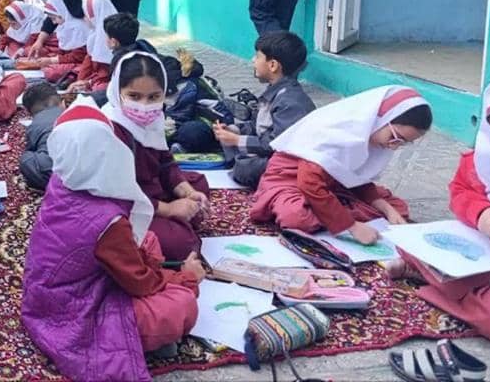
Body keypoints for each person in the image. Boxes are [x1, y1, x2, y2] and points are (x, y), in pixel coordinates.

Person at [22, 104, 205, 382]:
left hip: (48, 294)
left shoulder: (63, 179)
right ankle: (143, 342)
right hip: (77, 312)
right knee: (180, 305)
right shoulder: (107, 221)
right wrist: (187, 279)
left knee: (151, 238)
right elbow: (139, 281)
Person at [384, 78, 490, 343]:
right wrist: (482, 213)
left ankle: (439, 280)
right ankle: (445, 275)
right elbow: (461, 190)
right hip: (489, 253)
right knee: (417, 241)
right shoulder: (486, 157)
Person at [250, 86, 431, 242]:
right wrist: (351, 227)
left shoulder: (370, 136)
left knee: (397, 207)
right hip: (291, 180)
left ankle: (333, 213)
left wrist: (386, 208)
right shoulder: (337, 131)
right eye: (395, 137)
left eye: (403, 143)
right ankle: (341, 214)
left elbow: (358, 178)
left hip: (333, 185)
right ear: (381, 118)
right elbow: (309, 183)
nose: (394, 146)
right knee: (295, 216)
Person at [101, 52, 211, 260]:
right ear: (118, 91)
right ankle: (179, 223)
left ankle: (181, 218)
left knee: (198, 184)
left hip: (153, 192)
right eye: (134, 96)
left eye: (153, 97)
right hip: (126, 204)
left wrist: (186, 192)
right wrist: (168, 209)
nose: (144, 105)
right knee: (181, 245)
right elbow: (116, 193)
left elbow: (165, 161)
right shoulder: (110, 129)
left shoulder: (155, 119)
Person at [210, 32, 315, 188]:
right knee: (218, 139)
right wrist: (234, 130)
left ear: (272, 65)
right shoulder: (274, 91)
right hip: (270, 150)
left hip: (290, 160)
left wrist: (236, 140)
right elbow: (258, 126)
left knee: (246, 169)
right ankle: (238, 157)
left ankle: (240, 162)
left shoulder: (290, 102)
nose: (253, 60)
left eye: (258, 56)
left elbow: (276, 144)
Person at [68, 0, 118, 93]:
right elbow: (88, 65)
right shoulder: (94, 33)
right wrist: (84, 81)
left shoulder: (110, 38)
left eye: (86, 15)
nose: (84, 19)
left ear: (95, 15)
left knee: (99, 89)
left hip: (109, 82)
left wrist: (88, 82)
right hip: (95, 78)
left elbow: (106, 74)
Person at [19, 83, 63, 191]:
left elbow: (31, 149)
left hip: (55, 177)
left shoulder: (35, 124)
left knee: (26, 158)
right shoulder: (72, 113)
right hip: (88, 175)